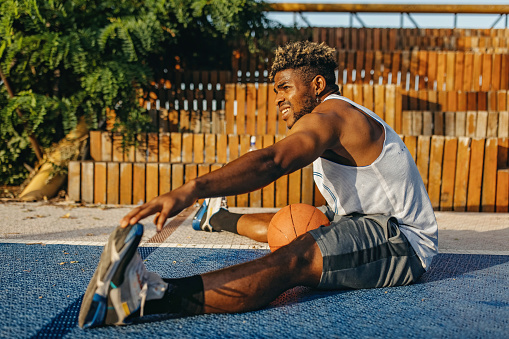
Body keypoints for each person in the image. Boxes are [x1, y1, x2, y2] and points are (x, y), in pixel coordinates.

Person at [78, 41, 438, 328]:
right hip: (363, 217)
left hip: (401, 241)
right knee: (293, 221)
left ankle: (146, 295)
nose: (278, 98)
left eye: (285, 88)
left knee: (294, 258)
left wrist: (191, 189)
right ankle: (217, 219)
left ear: (317, 85)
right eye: (275, 90)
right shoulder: (337, 113)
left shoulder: (330, 117)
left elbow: (273, 161)